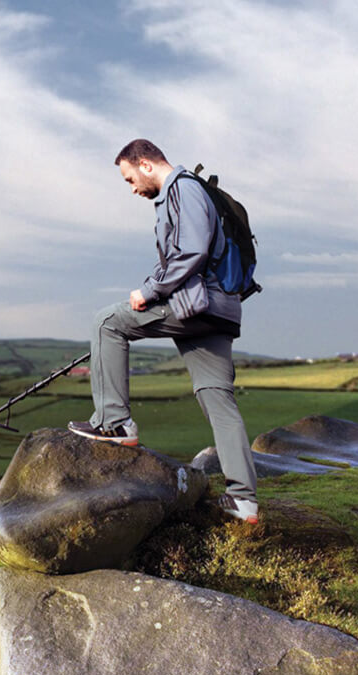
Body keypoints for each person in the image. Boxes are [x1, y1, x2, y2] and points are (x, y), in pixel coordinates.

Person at [67, 139, 258, 523]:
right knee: (217, 397)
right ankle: (244, 501)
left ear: (145, 164)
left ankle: (114, 423)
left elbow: (191, 252)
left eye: (129, 179)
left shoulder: (183, 189)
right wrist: (152, 287)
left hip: (199, 305)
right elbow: (180, 256)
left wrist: (150, 291)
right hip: (221, 310)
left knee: (106, 321)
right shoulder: (192, 191)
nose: (132, 188)